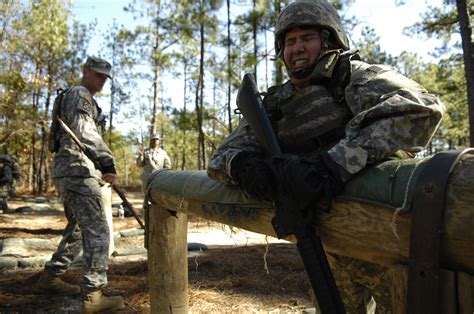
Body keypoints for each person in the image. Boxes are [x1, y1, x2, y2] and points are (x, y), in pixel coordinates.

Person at [207, 0, 444, 312]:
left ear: (330, 40)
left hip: (384, 237)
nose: (298, 49)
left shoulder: (354, 76)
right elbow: (220, 158)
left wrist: (333, 165)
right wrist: (247, 167)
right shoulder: (277, 103)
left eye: (307, 38)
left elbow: (422, 109)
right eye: (290, 42)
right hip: (325, 242)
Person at [35, 56, 124, 313]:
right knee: (98, 230)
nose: (102, 81)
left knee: (78, 228)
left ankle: (50, 277)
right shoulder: (80, 93)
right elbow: (84, 131)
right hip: (76, 170)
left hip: (72, 169)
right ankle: (93, 296)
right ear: (85, 72)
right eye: (97, 75)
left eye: (105, 77)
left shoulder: (81, 96)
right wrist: (107, 162)